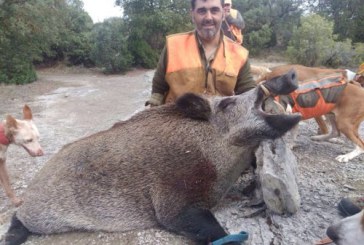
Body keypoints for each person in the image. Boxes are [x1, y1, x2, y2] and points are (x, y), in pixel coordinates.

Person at [145, 0, 256, 107]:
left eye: (214, 10)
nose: (208, 17)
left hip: (218, 123)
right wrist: (153, 107)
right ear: (193, 15)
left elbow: (250, 94)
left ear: (223, 14)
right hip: (174, 121)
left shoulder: (239, 54)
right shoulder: (173, 45)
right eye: (202, 11)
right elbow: (158, 89)